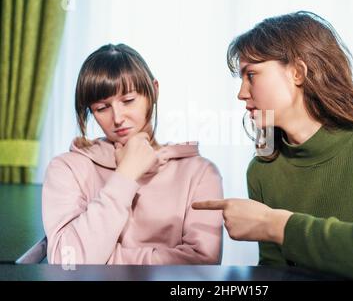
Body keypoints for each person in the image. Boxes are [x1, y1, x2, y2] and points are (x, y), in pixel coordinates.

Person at [193, 11, 353, 280]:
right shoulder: (263, 169)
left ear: (297, 72)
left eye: (251, 75)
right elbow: (278, 274)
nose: (241, 93)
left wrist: (275, 224)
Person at [42, 44, 223, 265]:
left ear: (154, 91)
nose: (117, 118)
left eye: (128, 101)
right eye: (102, 108)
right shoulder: (67, 168)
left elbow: (202, 265)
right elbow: (67, 262)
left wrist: (106, 261)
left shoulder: (200, 172)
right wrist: (126, 175)